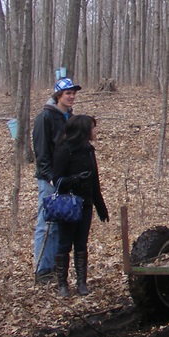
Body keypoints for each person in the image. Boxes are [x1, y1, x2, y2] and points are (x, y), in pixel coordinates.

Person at [51, 114, 109, 297]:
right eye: (92, 128)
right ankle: (62, 284)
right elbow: (57, 181)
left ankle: (81, 283)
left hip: (86, 203)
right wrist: (75, 180)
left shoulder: (89, 150)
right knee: (65, 243)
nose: (95, 131)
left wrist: (101, 206)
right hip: (67, 205)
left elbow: (95, 181)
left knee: (81, 244)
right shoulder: (64, 150)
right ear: (83, 130)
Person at [32, 77, 81, 283]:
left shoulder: (69, 117)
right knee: (46, 224)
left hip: (66, 179)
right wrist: (51, 177)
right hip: (49, 180)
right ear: (58, 95)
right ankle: (43, 270)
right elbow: (41, 152)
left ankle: (56, 269)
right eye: (67, 93)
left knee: (62, 224)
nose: (71, 97)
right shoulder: (45, 118)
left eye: (73, 93)